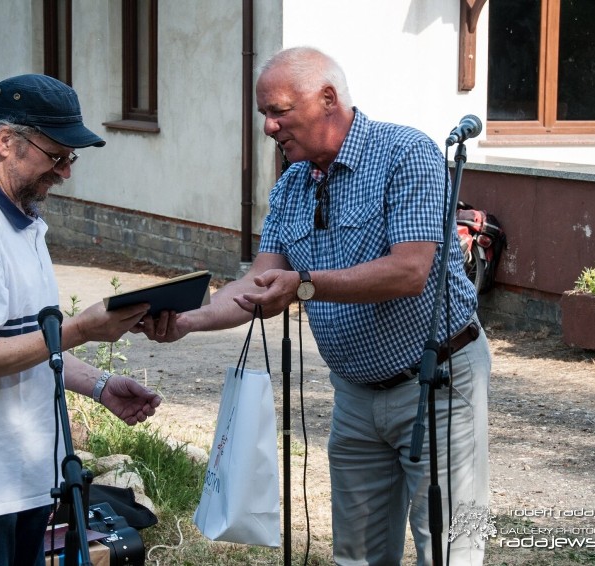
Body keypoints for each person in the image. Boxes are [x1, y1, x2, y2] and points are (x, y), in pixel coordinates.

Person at [142, 47, 491, 565]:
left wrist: (304, 283)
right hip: (354, 394)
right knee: (357, 556)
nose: (268, 127)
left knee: (449, 550)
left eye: (278, 111)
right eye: (264, 114)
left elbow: (410, 271)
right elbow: (259, 284)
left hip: (439, 381)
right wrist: (186, 322)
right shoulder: (290, 186)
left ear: (327, 99)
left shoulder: (406, 154)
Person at [0, 74, 162, 566]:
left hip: (23, 476)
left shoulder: (23, 219)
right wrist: (81, 328)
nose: (65, 172)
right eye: (56, 155)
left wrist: (100, 385)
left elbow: (29, 343)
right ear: (6, 142)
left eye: (71, 158)